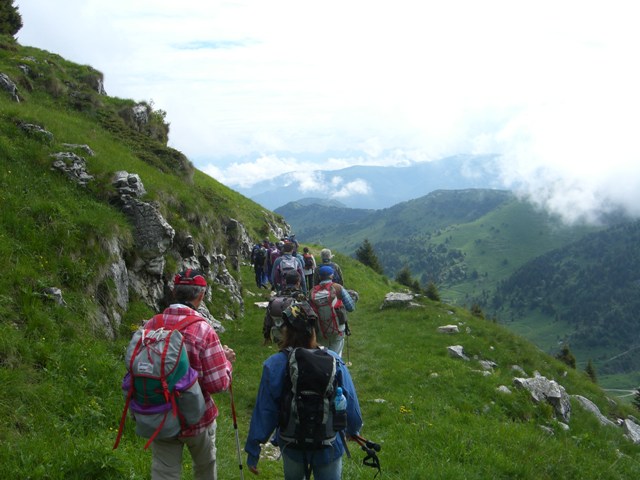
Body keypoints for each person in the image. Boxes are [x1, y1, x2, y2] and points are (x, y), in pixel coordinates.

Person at [245, 300, 363, 479]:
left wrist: (254, 449)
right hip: (328, 444)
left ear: (286, 330)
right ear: (313, 329)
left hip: (292, 444)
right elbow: (350, 401)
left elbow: (265, 410)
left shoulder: (274, 364)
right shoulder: (333, 360)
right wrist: (353, 430)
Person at [145, 269, 236, 480]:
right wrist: (227, 363)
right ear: (200, 296)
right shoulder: (203, 330)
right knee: (205, 466)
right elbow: (218, 384)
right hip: (197, 416)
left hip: (160, 411)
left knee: (164, 471)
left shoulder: (152, 324)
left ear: (174, 292)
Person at [310, 266, 356, 358]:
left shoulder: (312, 292)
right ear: (331, 276)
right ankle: (336, 368)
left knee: (323, 354)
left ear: (319, 277)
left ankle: (325, 369)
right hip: (338, 328)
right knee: (336, 354)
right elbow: (350, 307)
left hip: (320, 329)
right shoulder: (338, 288)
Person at [263, 270, 305, 345]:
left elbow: (268, 318)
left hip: (278, 333)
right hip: (295, 334)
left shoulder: (276, 296)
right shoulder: (300, 297)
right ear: (298, 282)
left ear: (285, 282)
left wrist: (267, 335)